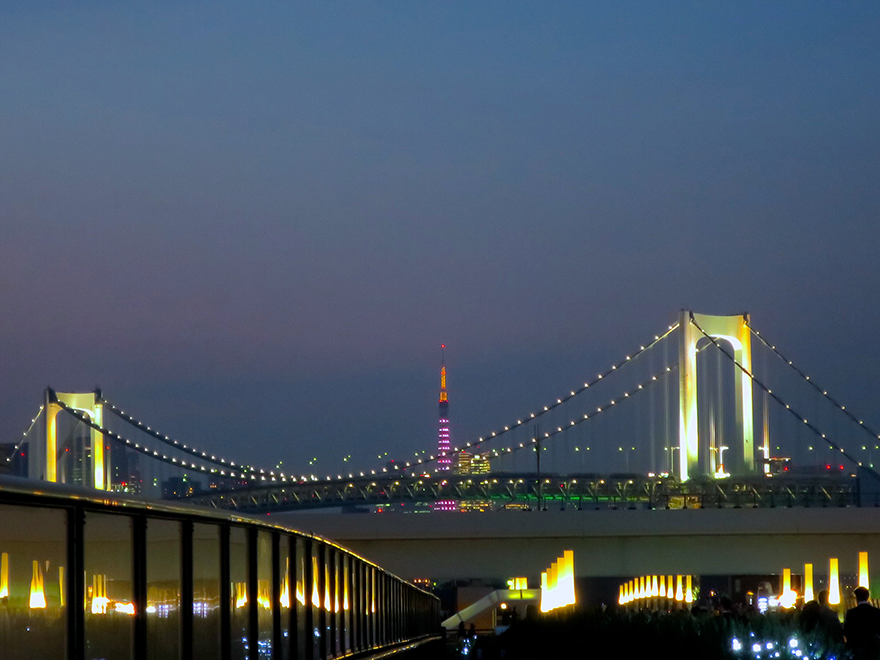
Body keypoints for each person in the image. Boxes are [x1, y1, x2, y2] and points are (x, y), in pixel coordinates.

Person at [844, 586, 880, 660]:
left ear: (856, 598)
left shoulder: (851, 613)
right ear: (867, 597)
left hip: (856, 649)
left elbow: (846, 631)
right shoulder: (877, 612)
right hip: (873, 649)